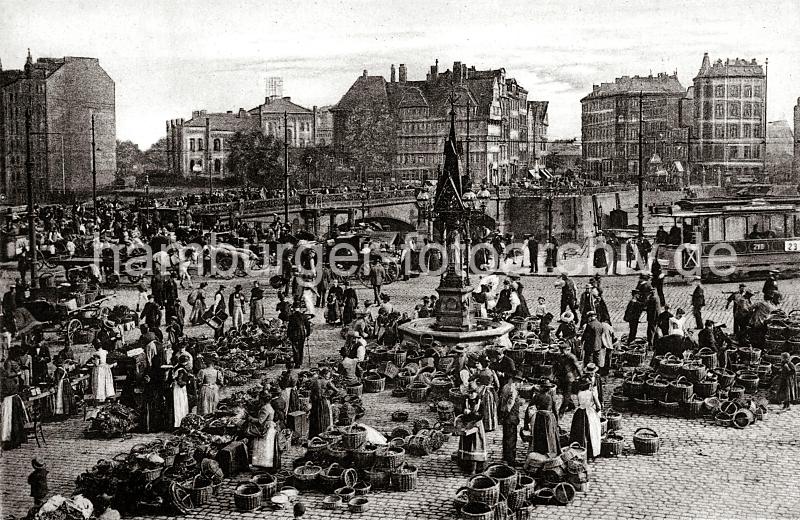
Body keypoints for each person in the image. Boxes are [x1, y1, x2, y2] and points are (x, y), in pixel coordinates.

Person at [455, 384, 487, 474]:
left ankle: (478, 465)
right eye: (469, 393)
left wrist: (472, 413)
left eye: (473, 393)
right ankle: (466, 463)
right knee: (467, 444)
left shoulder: (480, 402)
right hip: (467, 425)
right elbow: (460, 411)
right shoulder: (465, 401)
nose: (471, 394)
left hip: (476, 426)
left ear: (477, 393)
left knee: (476, 445)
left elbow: (482, 415)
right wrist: (464, 412)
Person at [248, 389, 282, 470]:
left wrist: (250, 418)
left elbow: (260, 421)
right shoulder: (269, 406)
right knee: (269, 447)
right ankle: (268, 463)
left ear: (262, 400)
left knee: (263, 446)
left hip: (266, 428)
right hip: (270, 427)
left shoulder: (264, 408)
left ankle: (263, 464)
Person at [569, 377, 602, 461]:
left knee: (580, 433)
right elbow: (599, 406)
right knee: (592, 433)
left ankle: (579, 451)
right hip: (589, 413)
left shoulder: (579, 393)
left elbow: (578, 404)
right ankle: (591, 453)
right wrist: (596, 412)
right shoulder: (592, 393)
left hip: (580, 413)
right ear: (589, 385)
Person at [524, 384, 561, 458]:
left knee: (539, 435)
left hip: (540, 418)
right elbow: (555, 411)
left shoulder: (537, 396)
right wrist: (557, 423)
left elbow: (528, 408)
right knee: (549, 435)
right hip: (549, 418)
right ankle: (549, 452)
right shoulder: (550, 397)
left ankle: (540, 452)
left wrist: (526, 423)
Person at [308, 368, 339, 438]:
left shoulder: (314, 381)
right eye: (328, 376)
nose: (328, 377)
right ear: (324, 375)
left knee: (316, 418)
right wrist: (330, 396)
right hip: (324, 401)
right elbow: (337, 391)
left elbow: (311, 392)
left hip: (316, 402)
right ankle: (326, 433)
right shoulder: (326, 382)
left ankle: (316, 434)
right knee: (326, 417)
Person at [498, 373, 521, 466]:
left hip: (505, 417)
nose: (520, 384)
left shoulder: (505, 387)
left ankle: (505, 455)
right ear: (515, 381)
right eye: (519, 381)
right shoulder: (513, 390)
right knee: (512, 438)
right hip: (511, 417)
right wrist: (507, 415)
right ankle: (511, 459)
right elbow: (509, 406)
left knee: (506, 437)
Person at [474, 358, 499, 433]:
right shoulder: (492, 372)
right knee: (491, 407)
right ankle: (492, 425)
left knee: (484, 408)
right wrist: (494, 390)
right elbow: (497, 384)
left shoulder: (480, 373)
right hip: (490, 392)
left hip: (482, 392)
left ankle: (485, 425)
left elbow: (470, 379)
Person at [555, 341, 581, 414]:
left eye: (563, 350)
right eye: (561, 350)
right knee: (565, 393)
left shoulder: (571, 357)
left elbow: (577, 367)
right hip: (562, 378)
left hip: (569, 378)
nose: (562, 351)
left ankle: (561, 411)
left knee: (566, 395)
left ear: (567, 349)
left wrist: (581, 377)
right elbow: (557, 367)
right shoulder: (560, 356)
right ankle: (571, 406)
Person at [169, 356, 191, 428]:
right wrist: (188, 382)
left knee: (178, 405)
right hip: (179, 389)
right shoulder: (181, 370)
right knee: (180, 405)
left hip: (175, 388)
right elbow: (180, 381)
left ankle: (178, 423)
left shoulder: (176, 368)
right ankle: (179, 423)